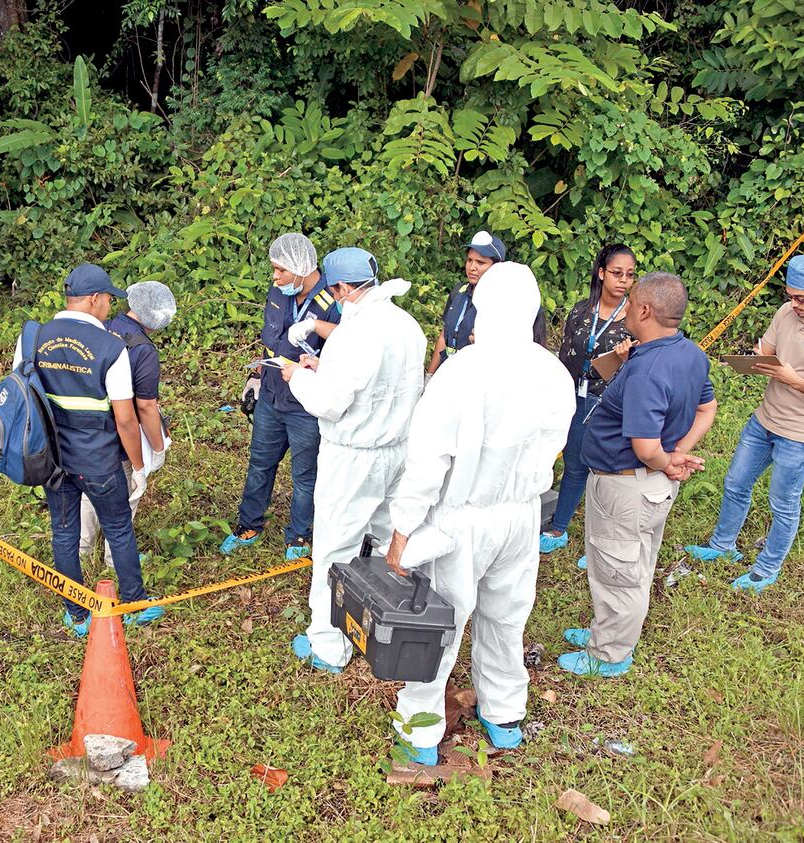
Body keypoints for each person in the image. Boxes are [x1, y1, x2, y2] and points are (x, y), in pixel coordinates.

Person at [384, 262, 574, 765]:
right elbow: (552, 446)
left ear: (482, 307)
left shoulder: (461, 371)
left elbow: (427, 463)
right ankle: (505, 713)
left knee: (439, 626)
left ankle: (420, 731)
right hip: (521, 515)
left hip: (460, 521)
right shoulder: (553, 372)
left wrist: (402, 530)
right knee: (507, 618)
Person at [558, 271, 716, 677]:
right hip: (652, 486)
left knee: (617, 571)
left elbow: (645, 448)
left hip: (626, 483)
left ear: (645, 310)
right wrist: (678, 453)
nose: (625, 308)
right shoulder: (688, 354)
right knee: (635, 561)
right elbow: (706, 409)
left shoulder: (649, 371)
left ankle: (608, 654)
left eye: (630, 304)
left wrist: (665, 458)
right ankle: (610, 631)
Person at [280, 247, 426, 673]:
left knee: (335, 548)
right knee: (382, 543)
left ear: (344, 288)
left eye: (336, 290)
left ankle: (328, 644)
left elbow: (331, 403)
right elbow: (380, 383)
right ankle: (380, 626)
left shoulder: (354, 333)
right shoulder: (405, 323)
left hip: (354, 456)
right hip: (397, 451)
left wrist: (300, 376)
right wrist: (323, 364)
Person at [685, 255, 804, 593]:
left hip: (802, 436)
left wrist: (794, 380)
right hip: (765, 420)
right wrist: (755, 359)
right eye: (789, 295)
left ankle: (766, 569)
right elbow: (767, 349)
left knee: (783, 503)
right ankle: (723, 546)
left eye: (800, 298)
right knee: (735, 483)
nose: (792, 304)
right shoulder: (786, 313)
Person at [13, 263, 163, 636]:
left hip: (49, 457)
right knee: (118, 527)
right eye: (109, 300)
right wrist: (140, 467)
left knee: (63, 531)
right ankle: (134, 604)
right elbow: (127, 420)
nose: (110, 308)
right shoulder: (111, 348)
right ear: (95, 299)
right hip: (98, 459)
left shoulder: (32, 336)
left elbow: (22, 394)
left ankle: (76, 614)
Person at [220, 234, 341, 561]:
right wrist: (256, 377)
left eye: (280, 271)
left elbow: (343, 356)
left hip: (306, 407)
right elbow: (270, 339)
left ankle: (299, 536)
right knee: (260, 464)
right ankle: (249, 525)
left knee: (305, 476)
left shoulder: (334, 301)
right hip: (272, 396)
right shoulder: (279, 291)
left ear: (301, 269)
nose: (275, 277)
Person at [541, 244, 637, 559]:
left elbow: (641, 373)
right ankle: (559, 528)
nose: (623, 280)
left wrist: (623, 362)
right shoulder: (582, 311)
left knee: (604, 471)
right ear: (601, 273)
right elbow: (564, 353)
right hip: (572, 396)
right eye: (616, 273)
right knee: (574, 461)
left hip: (607, 402)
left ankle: (604, 541)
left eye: (630, 275)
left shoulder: (634, 321)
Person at [78, 281, 177, 566]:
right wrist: (157, 449)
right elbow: (145, 407)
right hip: (121, 436)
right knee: (125, 495)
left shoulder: (102, 328)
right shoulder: (143, 350)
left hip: (88, 431)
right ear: (156, 317)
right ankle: (114, 558)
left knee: (89, 489)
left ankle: (81, 550)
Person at [425, 231, 545, 380]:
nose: (472, 267)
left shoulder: (508, 302)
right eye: (469, 260)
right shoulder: (459, 292)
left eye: (480, 262)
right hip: (447, 375)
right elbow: (445, 336)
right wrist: (430, 375)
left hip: (478, 380)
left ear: (497, 267)